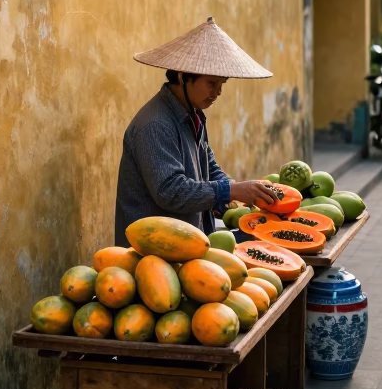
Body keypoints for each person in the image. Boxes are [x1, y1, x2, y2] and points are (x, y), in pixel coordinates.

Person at [114, 17, 280, 246]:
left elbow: (208, 167)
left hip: (186, 244)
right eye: (211, 83)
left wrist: (230, 190)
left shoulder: (193, 114)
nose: (218, 92)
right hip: (153, 252)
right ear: (183, 76)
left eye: (222, 84)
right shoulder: (154, 125)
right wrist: (228, 190)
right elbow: (171, 191)